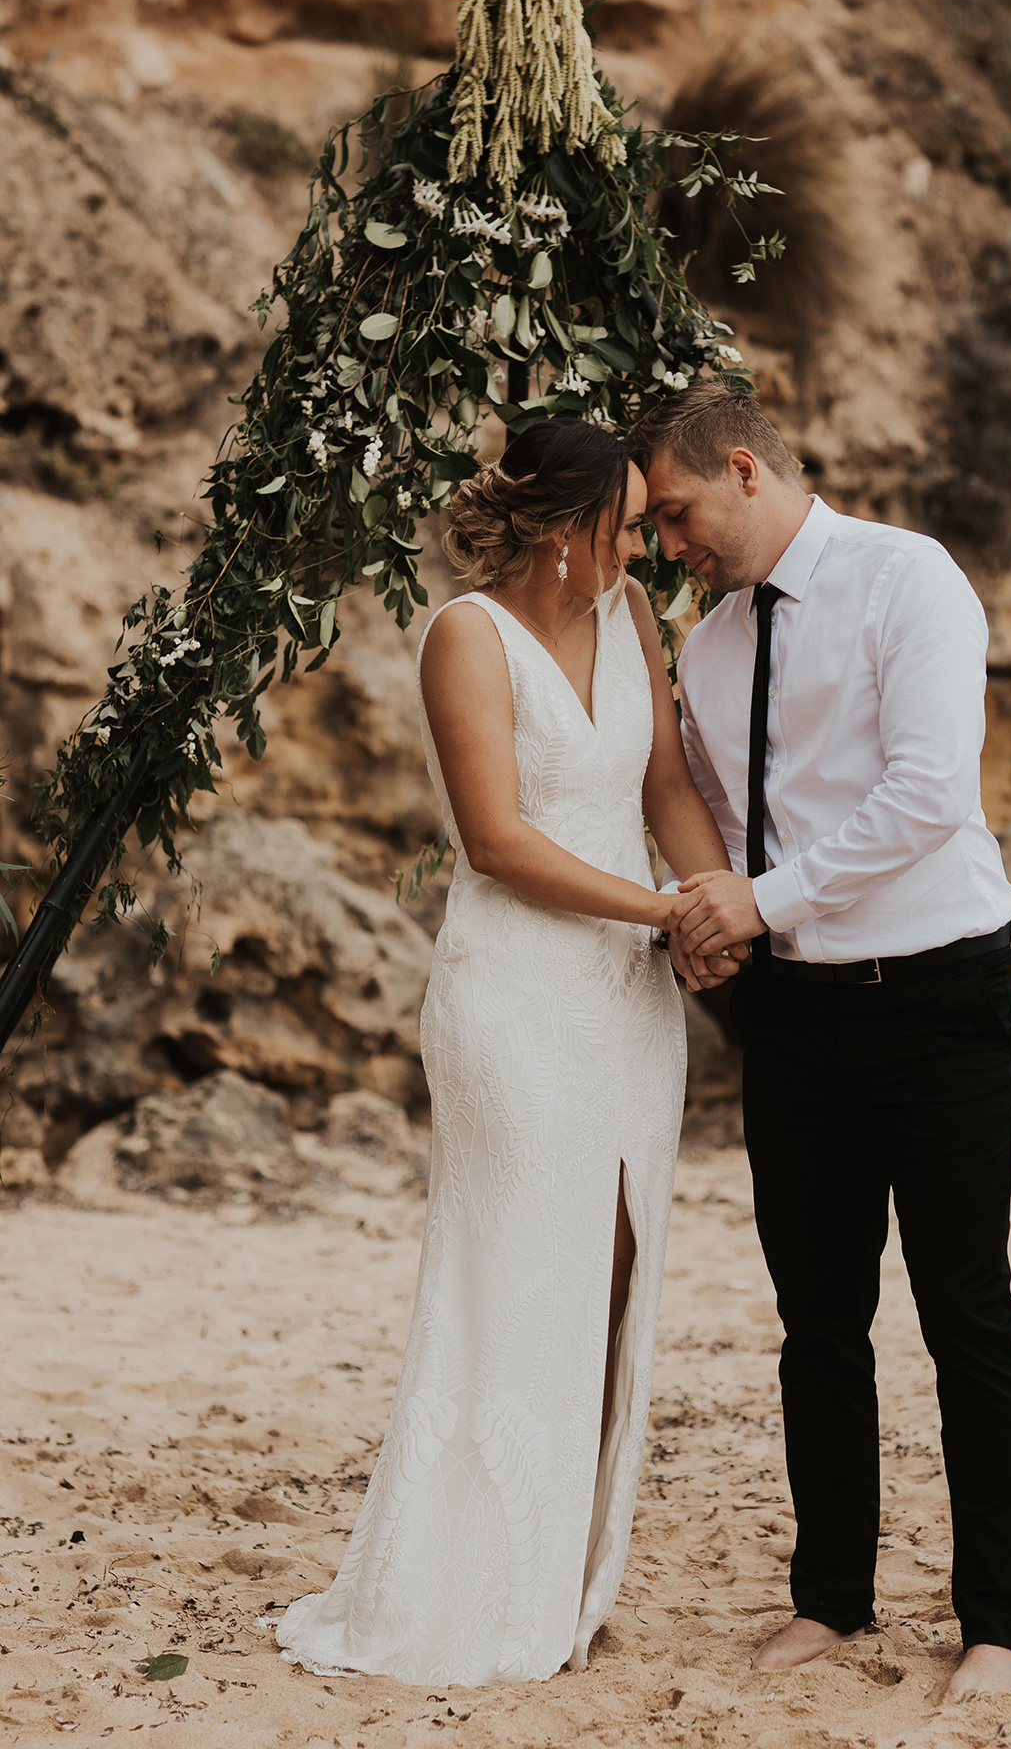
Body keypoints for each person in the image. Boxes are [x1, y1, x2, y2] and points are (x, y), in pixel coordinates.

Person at [274, 416, 736, 1686]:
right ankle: (467, 1585)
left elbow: (661, 789)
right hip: (517, 999)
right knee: (523, 1263)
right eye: (630, 521)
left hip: (629, 1004)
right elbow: (496, 840)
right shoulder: (465, 637)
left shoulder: (632, 613)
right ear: (566, 525)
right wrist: (663, 912)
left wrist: (715, 901)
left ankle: (557, 1572)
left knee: (614, 1264)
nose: (646, 539)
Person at [630, 381, 1011, 1704]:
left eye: (679, 512)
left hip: (939, 999)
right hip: (795, 1014)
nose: (669, 542)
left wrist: (763, 899)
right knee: (817, 1321)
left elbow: (930, 792)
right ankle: (831, 1598)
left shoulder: (905, 579)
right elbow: (709, 812)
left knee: (965, 1311)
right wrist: (709, 922)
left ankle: (996, 1620)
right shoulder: (706, 646)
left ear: (742, 469)